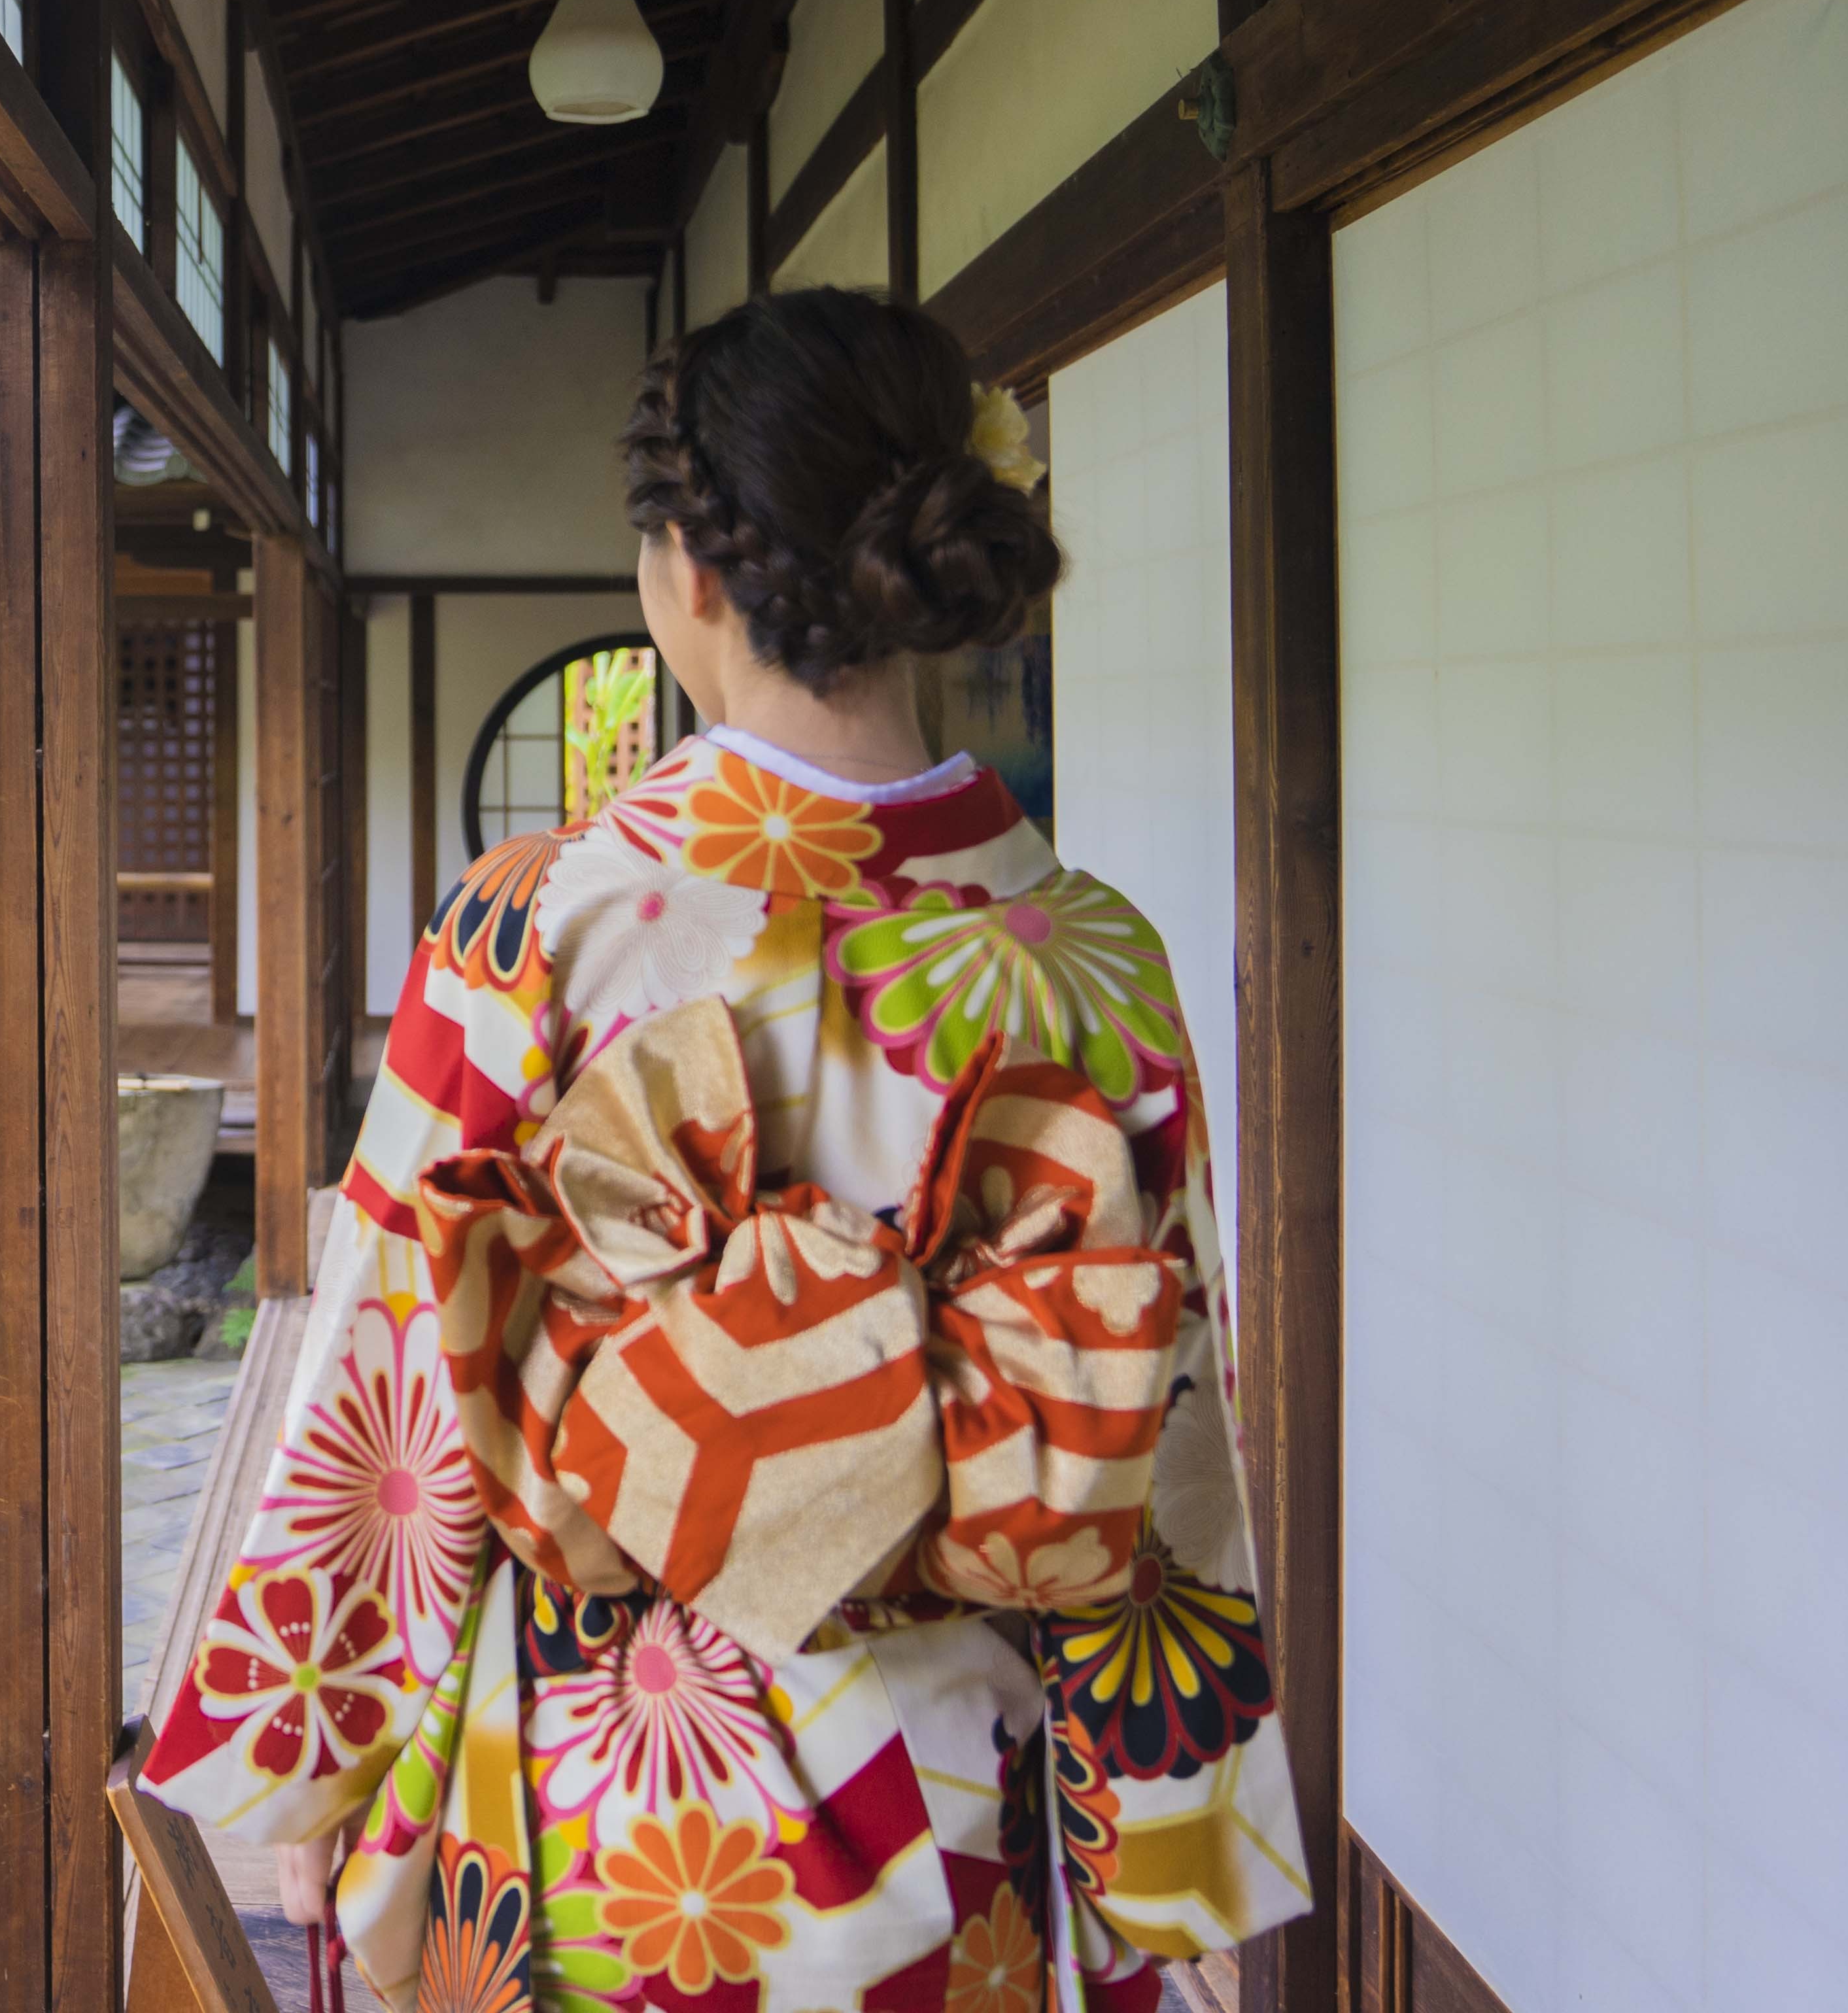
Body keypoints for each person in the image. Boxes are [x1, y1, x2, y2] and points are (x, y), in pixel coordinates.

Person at [135, 288, 1306, 2011]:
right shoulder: (1096, 951)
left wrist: (315, 1753)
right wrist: (1173, 1816)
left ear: (689, 568)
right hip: (970, 1807)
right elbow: (1162, 1411)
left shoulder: (540, 926)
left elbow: (393, 1374)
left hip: (617, 1805)